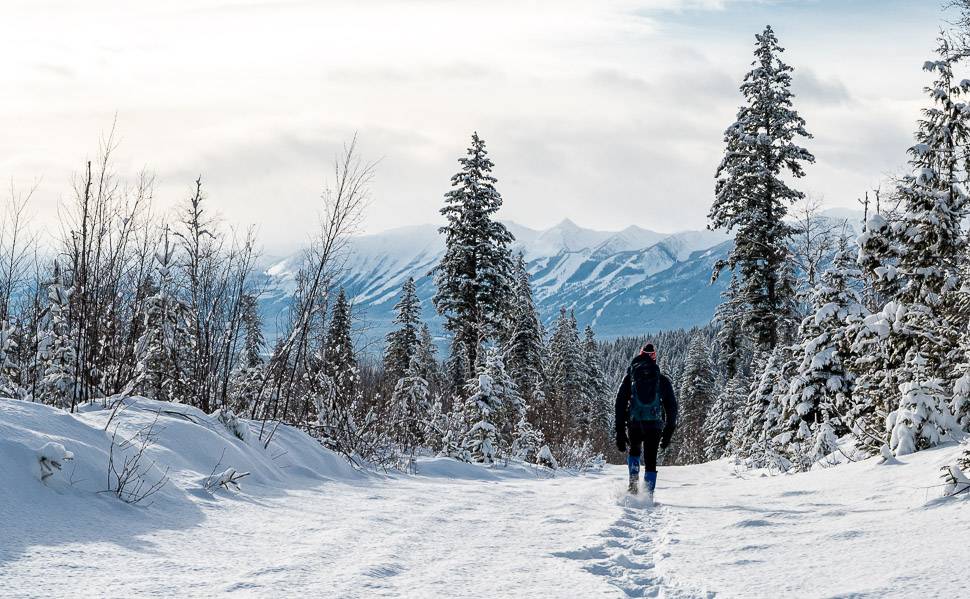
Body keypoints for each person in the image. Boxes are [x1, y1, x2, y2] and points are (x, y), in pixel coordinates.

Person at [614, 342, 678, 497]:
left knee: (634, 452)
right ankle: (648, 496)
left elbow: (620, 404)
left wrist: (620, 431)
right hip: (654, 425)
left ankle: (633, 487)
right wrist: (669, 429)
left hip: (635, 423)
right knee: (651, 460)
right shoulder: (661, 380)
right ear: (654, 358)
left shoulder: (630, 378)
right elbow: (671, 406)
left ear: (640, 354)